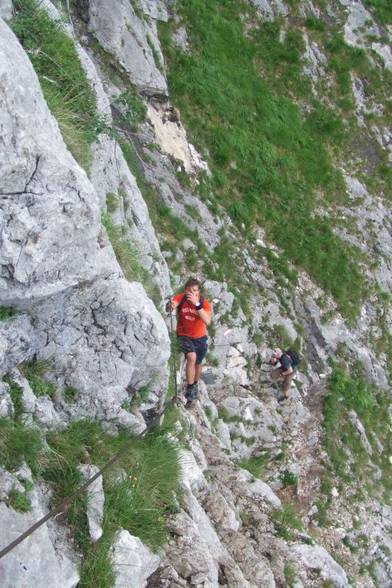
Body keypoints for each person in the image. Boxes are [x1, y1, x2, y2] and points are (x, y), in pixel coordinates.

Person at [168, 278, 212, 407]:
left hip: (200, 337)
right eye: (189, 291)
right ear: (185, 291)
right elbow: (173, 304)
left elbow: (208, 321)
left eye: (194, 291)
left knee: (198, 363)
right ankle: (190, 388)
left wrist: (197, 304)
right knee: (191, 357)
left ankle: (195, 384)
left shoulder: (204, 303)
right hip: (183, 335)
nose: (191, 294)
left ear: (198, 292)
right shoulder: (181, 298)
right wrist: (170, 305)